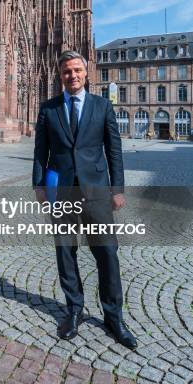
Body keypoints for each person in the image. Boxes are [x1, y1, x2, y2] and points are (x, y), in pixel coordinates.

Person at [32, 50, 137, 350]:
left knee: (107, 254)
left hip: (97, 192)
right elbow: (41, 151)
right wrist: (39, 185)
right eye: (67, 71)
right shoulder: (49, 109)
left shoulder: (102, 106)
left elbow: (113, 150)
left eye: (77, 70)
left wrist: (118, 189)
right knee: (66, 252)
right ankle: (73, 309)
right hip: (61, 190)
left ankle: (113, 316)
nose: (73, 75)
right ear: (60, 75)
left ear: (86, 73)